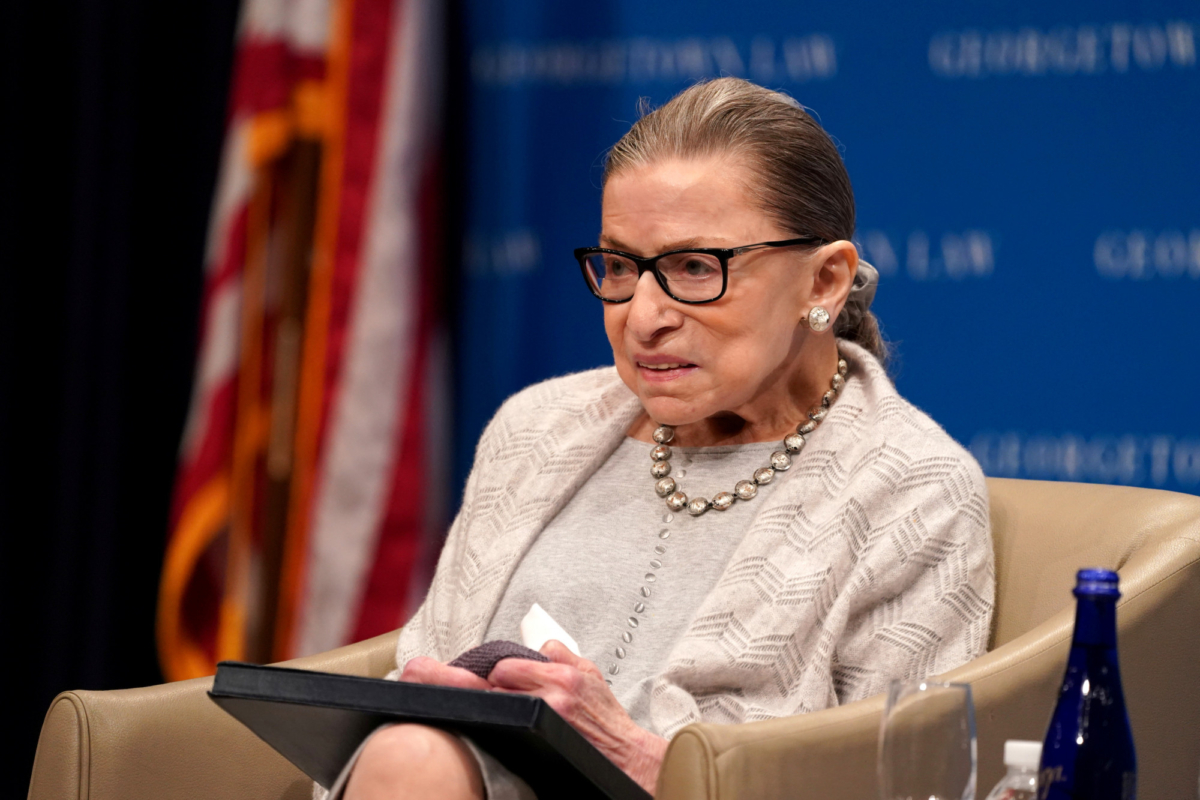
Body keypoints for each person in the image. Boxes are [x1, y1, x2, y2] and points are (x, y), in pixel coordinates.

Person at [331, 77, 994, 800]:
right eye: (620, 267)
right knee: (411, 758)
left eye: (694, 268)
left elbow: (902, 782)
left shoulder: (913, 490)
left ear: (824, 282)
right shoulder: (535, 429)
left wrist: (654, 768)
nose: (643, 316)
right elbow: (418, 679)